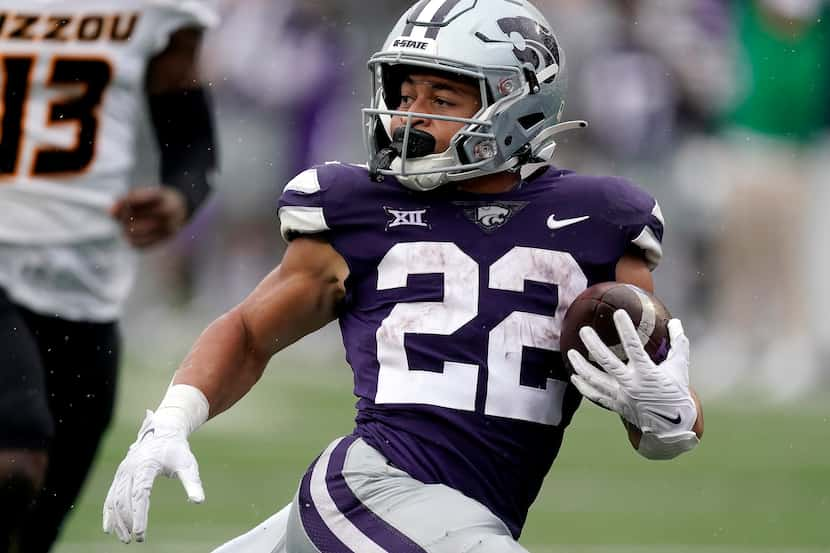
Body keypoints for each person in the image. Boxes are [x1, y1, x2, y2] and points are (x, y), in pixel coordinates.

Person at [103, 1, 704, 551]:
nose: (407, 119)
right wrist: (172, 420)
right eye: (404, 93)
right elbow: (250, 332)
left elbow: (666, 431)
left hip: (462, 521)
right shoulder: (356, 206)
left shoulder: (599, 219)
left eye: (441, 101)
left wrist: (665, 411)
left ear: (520, 104)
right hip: (367, 488)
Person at [0, 1, 219, 551]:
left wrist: (180, 195)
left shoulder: (157, 10)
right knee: (14, 460)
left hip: (87, 278)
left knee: (42, 513)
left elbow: (190, 130)